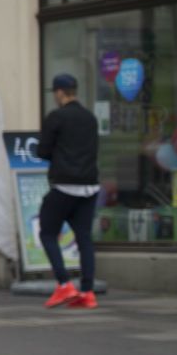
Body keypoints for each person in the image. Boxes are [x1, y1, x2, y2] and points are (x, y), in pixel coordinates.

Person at [37, 72, 101, 310]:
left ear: (60, 92)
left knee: (47, 232)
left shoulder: (56, 117)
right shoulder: (90, 118)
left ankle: (64, 284)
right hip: (90, 186)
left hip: (64, 185)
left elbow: (42, 151)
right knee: (84, 237)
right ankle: (87, 291)